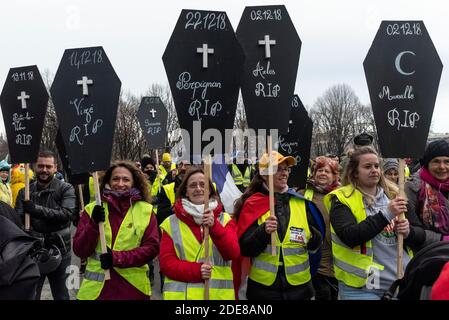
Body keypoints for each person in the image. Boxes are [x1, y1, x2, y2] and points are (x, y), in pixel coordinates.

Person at [325, 146, 413, 300]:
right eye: (367, 167)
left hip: (398, 282)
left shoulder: (394, 195)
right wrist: (387, 214)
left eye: (376, 166)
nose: (374, 170)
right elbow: (350, 236)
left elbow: (414, 235)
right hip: (362, 289)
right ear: (354, 172)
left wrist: (407, 232)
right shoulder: (341, 199)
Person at [233, 151, 324, 300]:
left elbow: (315, 245)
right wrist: (262, 232)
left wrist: (313, 238)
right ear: (264, 174)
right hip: (264, 290)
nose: (284, 173)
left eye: (286, 169)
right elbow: (244, 249)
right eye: (278, 169)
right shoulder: (253, 204)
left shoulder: (302, 203)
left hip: (300, 288)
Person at [73, 161, 159, 300]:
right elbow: (80, 250)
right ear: (108, 181)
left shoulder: (146, 210)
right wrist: (93, 224)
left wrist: (117, 258)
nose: (120, 184)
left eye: (126, 179)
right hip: (96, 291)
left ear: (134, 183)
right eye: (115, 179)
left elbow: (151, 249)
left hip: (132, 289)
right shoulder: (92, 209)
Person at [159, 167, 240, 300]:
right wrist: (196, 271)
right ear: (186, 191)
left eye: (203, 185)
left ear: (210, 190)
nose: (198, 188)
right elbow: (166, 264)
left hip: (218, 297)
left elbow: (232, 253)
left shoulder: (225, 220)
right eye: (192, 185)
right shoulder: (170, 222)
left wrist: (215, 226)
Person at [15, 150, 76, 300]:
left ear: (55, 168)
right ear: (34, 167)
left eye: (48, 166)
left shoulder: (66, 188)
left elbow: (66, 215)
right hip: (34, 252)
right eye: (40, 166)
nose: (44, 170)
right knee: (30, 295)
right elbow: (18, 220)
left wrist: (35, 209)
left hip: (61, 251)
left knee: (62, 295)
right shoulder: (25, 192)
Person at [301, 156, 340, 300]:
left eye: (328, 171)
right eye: (320, 170)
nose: (323, 173)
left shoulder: (342, 195)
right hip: (315, 263)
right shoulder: (303, 194)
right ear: (314, 173)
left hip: (338, 264)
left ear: (335, 175)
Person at [405, 139, 449, 252]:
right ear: (427, 164)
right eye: (436, 161)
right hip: (428, 254)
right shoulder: (413, 187)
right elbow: (410, 228)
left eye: (447, 161)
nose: (442, 167)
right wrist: (442, 239)